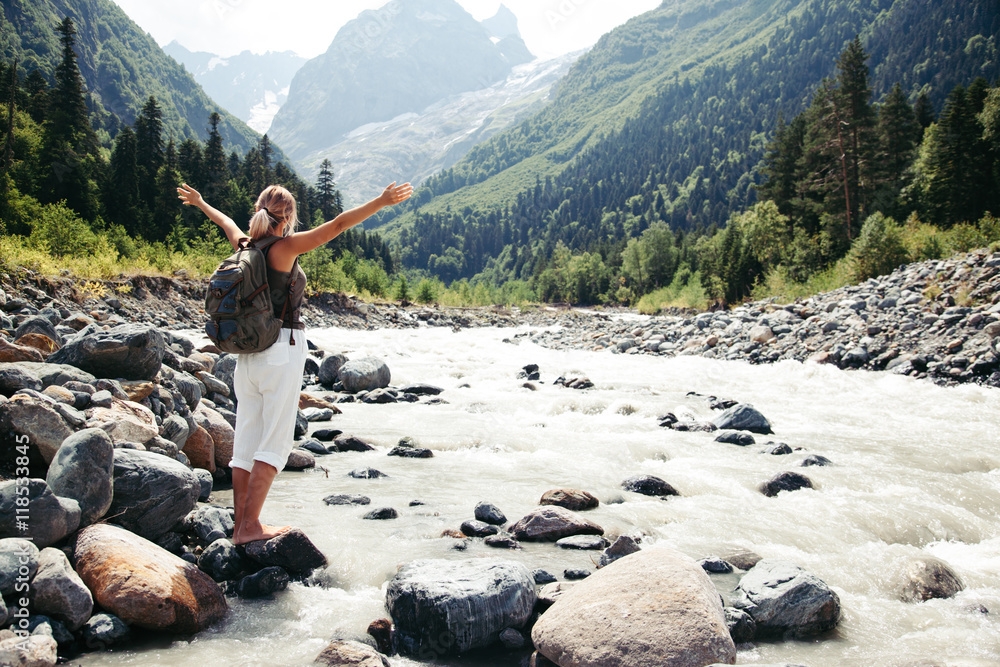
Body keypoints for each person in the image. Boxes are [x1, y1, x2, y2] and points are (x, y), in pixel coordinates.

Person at [177, 180, 413, 544]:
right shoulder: (284, 248)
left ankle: (242, 526)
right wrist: (380, 202)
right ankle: (251, 526)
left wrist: (202, 202)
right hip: (281, 351)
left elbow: (226, 223)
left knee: (246, 442)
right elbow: (336, 226)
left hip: (248, 356)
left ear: (258, 210)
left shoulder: (245, 244)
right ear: (287, 217)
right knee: (275, 441)